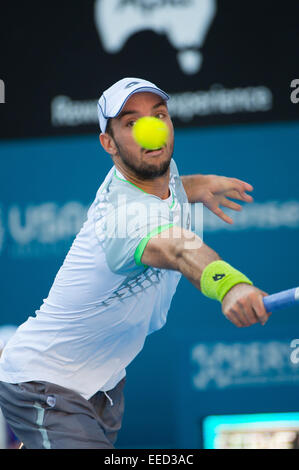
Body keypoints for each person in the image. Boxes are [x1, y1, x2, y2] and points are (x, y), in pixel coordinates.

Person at [0, 77, 271, 449]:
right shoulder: (123, 217)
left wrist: (196, 185)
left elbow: (169, 185)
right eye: (131, 123)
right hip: (44, 381)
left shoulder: (160, 172)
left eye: (159, 115)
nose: (150, 129)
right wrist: (231, 285)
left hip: (105, 385)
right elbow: (180, 249)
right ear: (108, 143)